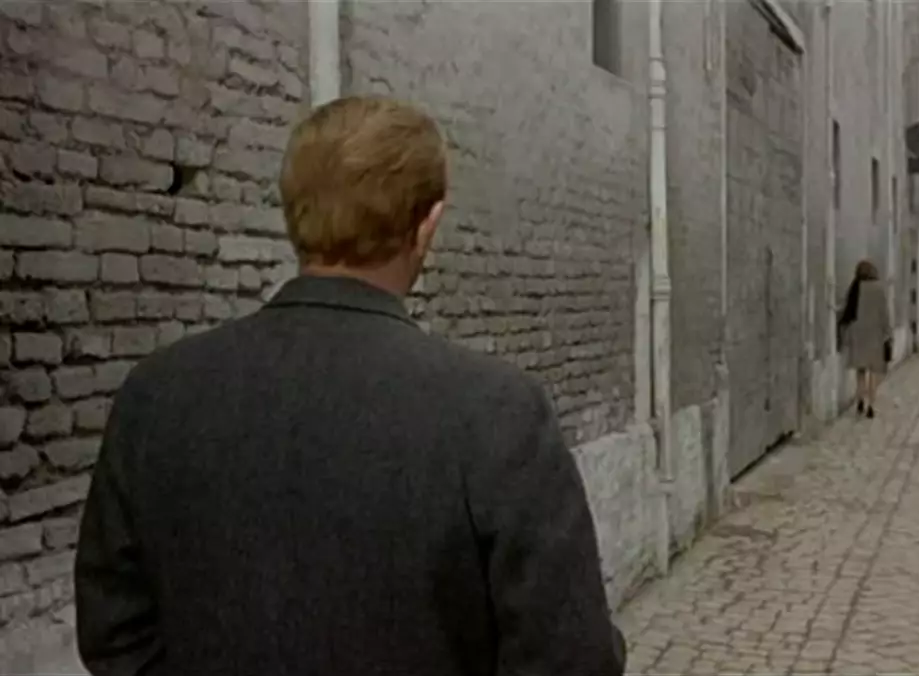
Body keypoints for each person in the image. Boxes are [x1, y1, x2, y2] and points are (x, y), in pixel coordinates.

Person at [74, 96, 627, 676]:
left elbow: (114, 632)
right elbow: (572, 658)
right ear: (428, 226)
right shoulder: (498, 412)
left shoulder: (155, 395)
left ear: (294, 215)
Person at [837, 259, 893, 419]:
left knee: (860, 370)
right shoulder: (879, 289)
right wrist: (888, 333)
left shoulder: (855, 287)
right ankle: (871, 406)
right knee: (873, 372)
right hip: (874, 335)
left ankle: (860, 399)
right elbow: (884, 314)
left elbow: (847, 310)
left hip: (858, 334)